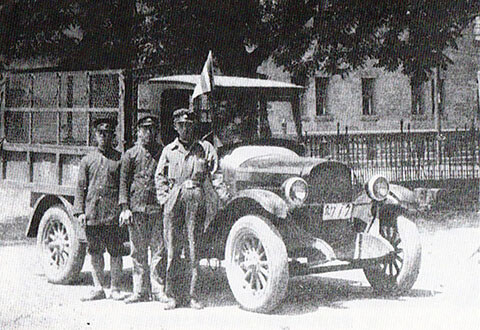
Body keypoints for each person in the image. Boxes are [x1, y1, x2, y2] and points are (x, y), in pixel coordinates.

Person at [155, 108, 219, 310]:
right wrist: (165, 199)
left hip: (195, 202)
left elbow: (215, 175)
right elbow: (160, 177)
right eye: (181, 125)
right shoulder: (169, 151)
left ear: (193, 127)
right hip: (174, 202)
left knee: (194, 248)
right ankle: (171, 294)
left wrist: (219, 197)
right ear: (175, 127)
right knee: (172, 249)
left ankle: (193, 295)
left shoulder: (203, 150)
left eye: (189, 125)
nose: (185, 129)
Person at [73, 117, 125, 301]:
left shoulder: (119, 159)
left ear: (113, 136)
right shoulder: (87, 160)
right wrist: (79, 212)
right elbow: (80, 187)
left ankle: (116, 288)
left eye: (108, 134)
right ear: (95, 135)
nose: (104, 137)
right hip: (93, 213)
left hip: (112, 215)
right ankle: (98, 288)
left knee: (116, 251)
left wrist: (123, 209)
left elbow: (123, 187)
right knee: (95, 252)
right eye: (101, 134)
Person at [118, 113, 168, 304]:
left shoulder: (162, 152)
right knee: (138, 252)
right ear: (138, 132)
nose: (149, 133)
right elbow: (123, 183)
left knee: (158, 251)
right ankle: (139, 291)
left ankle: (157, 290)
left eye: (152, 129)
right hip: (136, 210)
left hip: (156, 209)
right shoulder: (130, 155)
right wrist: (125, 208)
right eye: (145, 130)